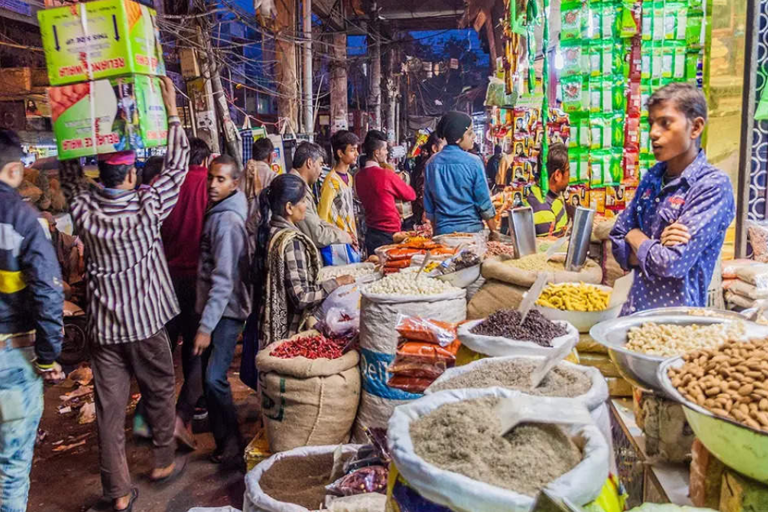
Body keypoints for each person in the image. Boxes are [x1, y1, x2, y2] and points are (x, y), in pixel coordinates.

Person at [59, 76, 188, 512]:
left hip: (103, 330)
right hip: (148, 321)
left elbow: (70, 173)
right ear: (132, 173)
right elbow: (177, 167)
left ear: (102, 173)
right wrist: (172, 110)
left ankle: (117, 494)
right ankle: (164, 462)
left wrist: (72, 112)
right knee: (158, 390)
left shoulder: (83, 209)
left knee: (110, 412)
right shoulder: (147, 206)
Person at [610, 82, 735, 315]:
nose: (653, 133)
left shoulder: (711, 186)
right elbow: (617, 235)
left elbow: (672, 263)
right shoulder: (652, 178)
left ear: (695, 128)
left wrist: (634, 236)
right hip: (631, 313)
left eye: (665, 123)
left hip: (674, 325)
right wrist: (642, 242)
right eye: (651, 124)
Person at [0, 129, 64, 512]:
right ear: (12, 170)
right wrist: (46, 356)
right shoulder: (22, 218)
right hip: (12, 356)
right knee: (11, 467)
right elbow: (46, 291)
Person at [152, 136, 212, 447]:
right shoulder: (210, 184)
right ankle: (187, 412)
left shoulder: (163, 185)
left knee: (163, 348)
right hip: (199, 281)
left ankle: (152, 418)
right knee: (197, 345)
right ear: (204, 160)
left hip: (165, 280)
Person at [192, 154, 251, 466]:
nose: (213, 185)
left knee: (215, 377)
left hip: (226, 311)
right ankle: (224, 440)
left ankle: (232, 445)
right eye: (211, 178)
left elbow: (224, 279)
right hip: (218, 308)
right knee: (207, 375)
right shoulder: (218, 211)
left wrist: (206, 326)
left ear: (234, 183)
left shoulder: (227, 221)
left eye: (221, 179)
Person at [257, 174, 354, 348]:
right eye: (303, 201)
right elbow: (302, 297)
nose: (306, 206)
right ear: (289, 207)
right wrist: (335, 282)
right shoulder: (291, 241)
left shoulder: (270, 229)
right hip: (289, 332)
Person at [424, 111, 498, 238]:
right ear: (458, 138)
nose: (474, 136)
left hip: (443, 233)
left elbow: (429, 205)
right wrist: (494, 231)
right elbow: (484, 202)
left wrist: (437, 233)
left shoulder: (431, 163)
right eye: (470, 133)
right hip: (472, 233)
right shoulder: (474, 162)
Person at [355, 130, 417, 256]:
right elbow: (411, 195)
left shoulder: (358, 176)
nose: (387, 152)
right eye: (385, 149)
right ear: (376, 152)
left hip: (371, 230)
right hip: (390, 231)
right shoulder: (386, 175)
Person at [289, 142, 352, 249]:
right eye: (320, 164)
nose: (321, 171)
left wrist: (342, 233)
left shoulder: (299, 186)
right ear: (309, 163)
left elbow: (317, 221)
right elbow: (317, 234)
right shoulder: (296, 189)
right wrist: (346, 237)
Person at [318, 130, 359, 246]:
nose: (356, 154)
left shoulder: (349, 178)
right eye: (352, 150)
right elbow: (322, 215)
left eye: (356, 149)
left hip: (350, 238)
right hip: (338, 241)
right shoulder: (331, 182)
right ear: (340, 153)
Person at [525, 143, 571, 237]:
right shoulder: (543, 209)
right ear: (557, 175)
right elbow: (547, 247)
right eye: (569, 171)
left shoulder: (550, 194)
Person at [40, 211, 84, 301]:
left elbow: (78, 241)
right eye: (50, 225)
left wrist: (81, 258)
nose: (53, 228)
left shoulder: (58, 236)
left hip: (60, 269)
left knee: (74, 251)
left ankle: (74, 284)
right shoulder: (38, 241)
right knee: (66, 291)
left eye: (54, 225)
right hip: (48, 276)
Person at [244, 137, 278, 250]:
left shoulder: (240, 175)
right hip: (261, 237)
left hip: (242, 237)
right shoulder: (273, 178)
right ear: (270, 157)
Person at [410, 132, 445, 226]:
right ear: (434, 148)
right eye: (444, 147)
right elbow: (422, 191)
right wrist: (428, 212)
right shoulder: (428, 165)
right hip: (426, 216)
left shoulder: (435, 165)